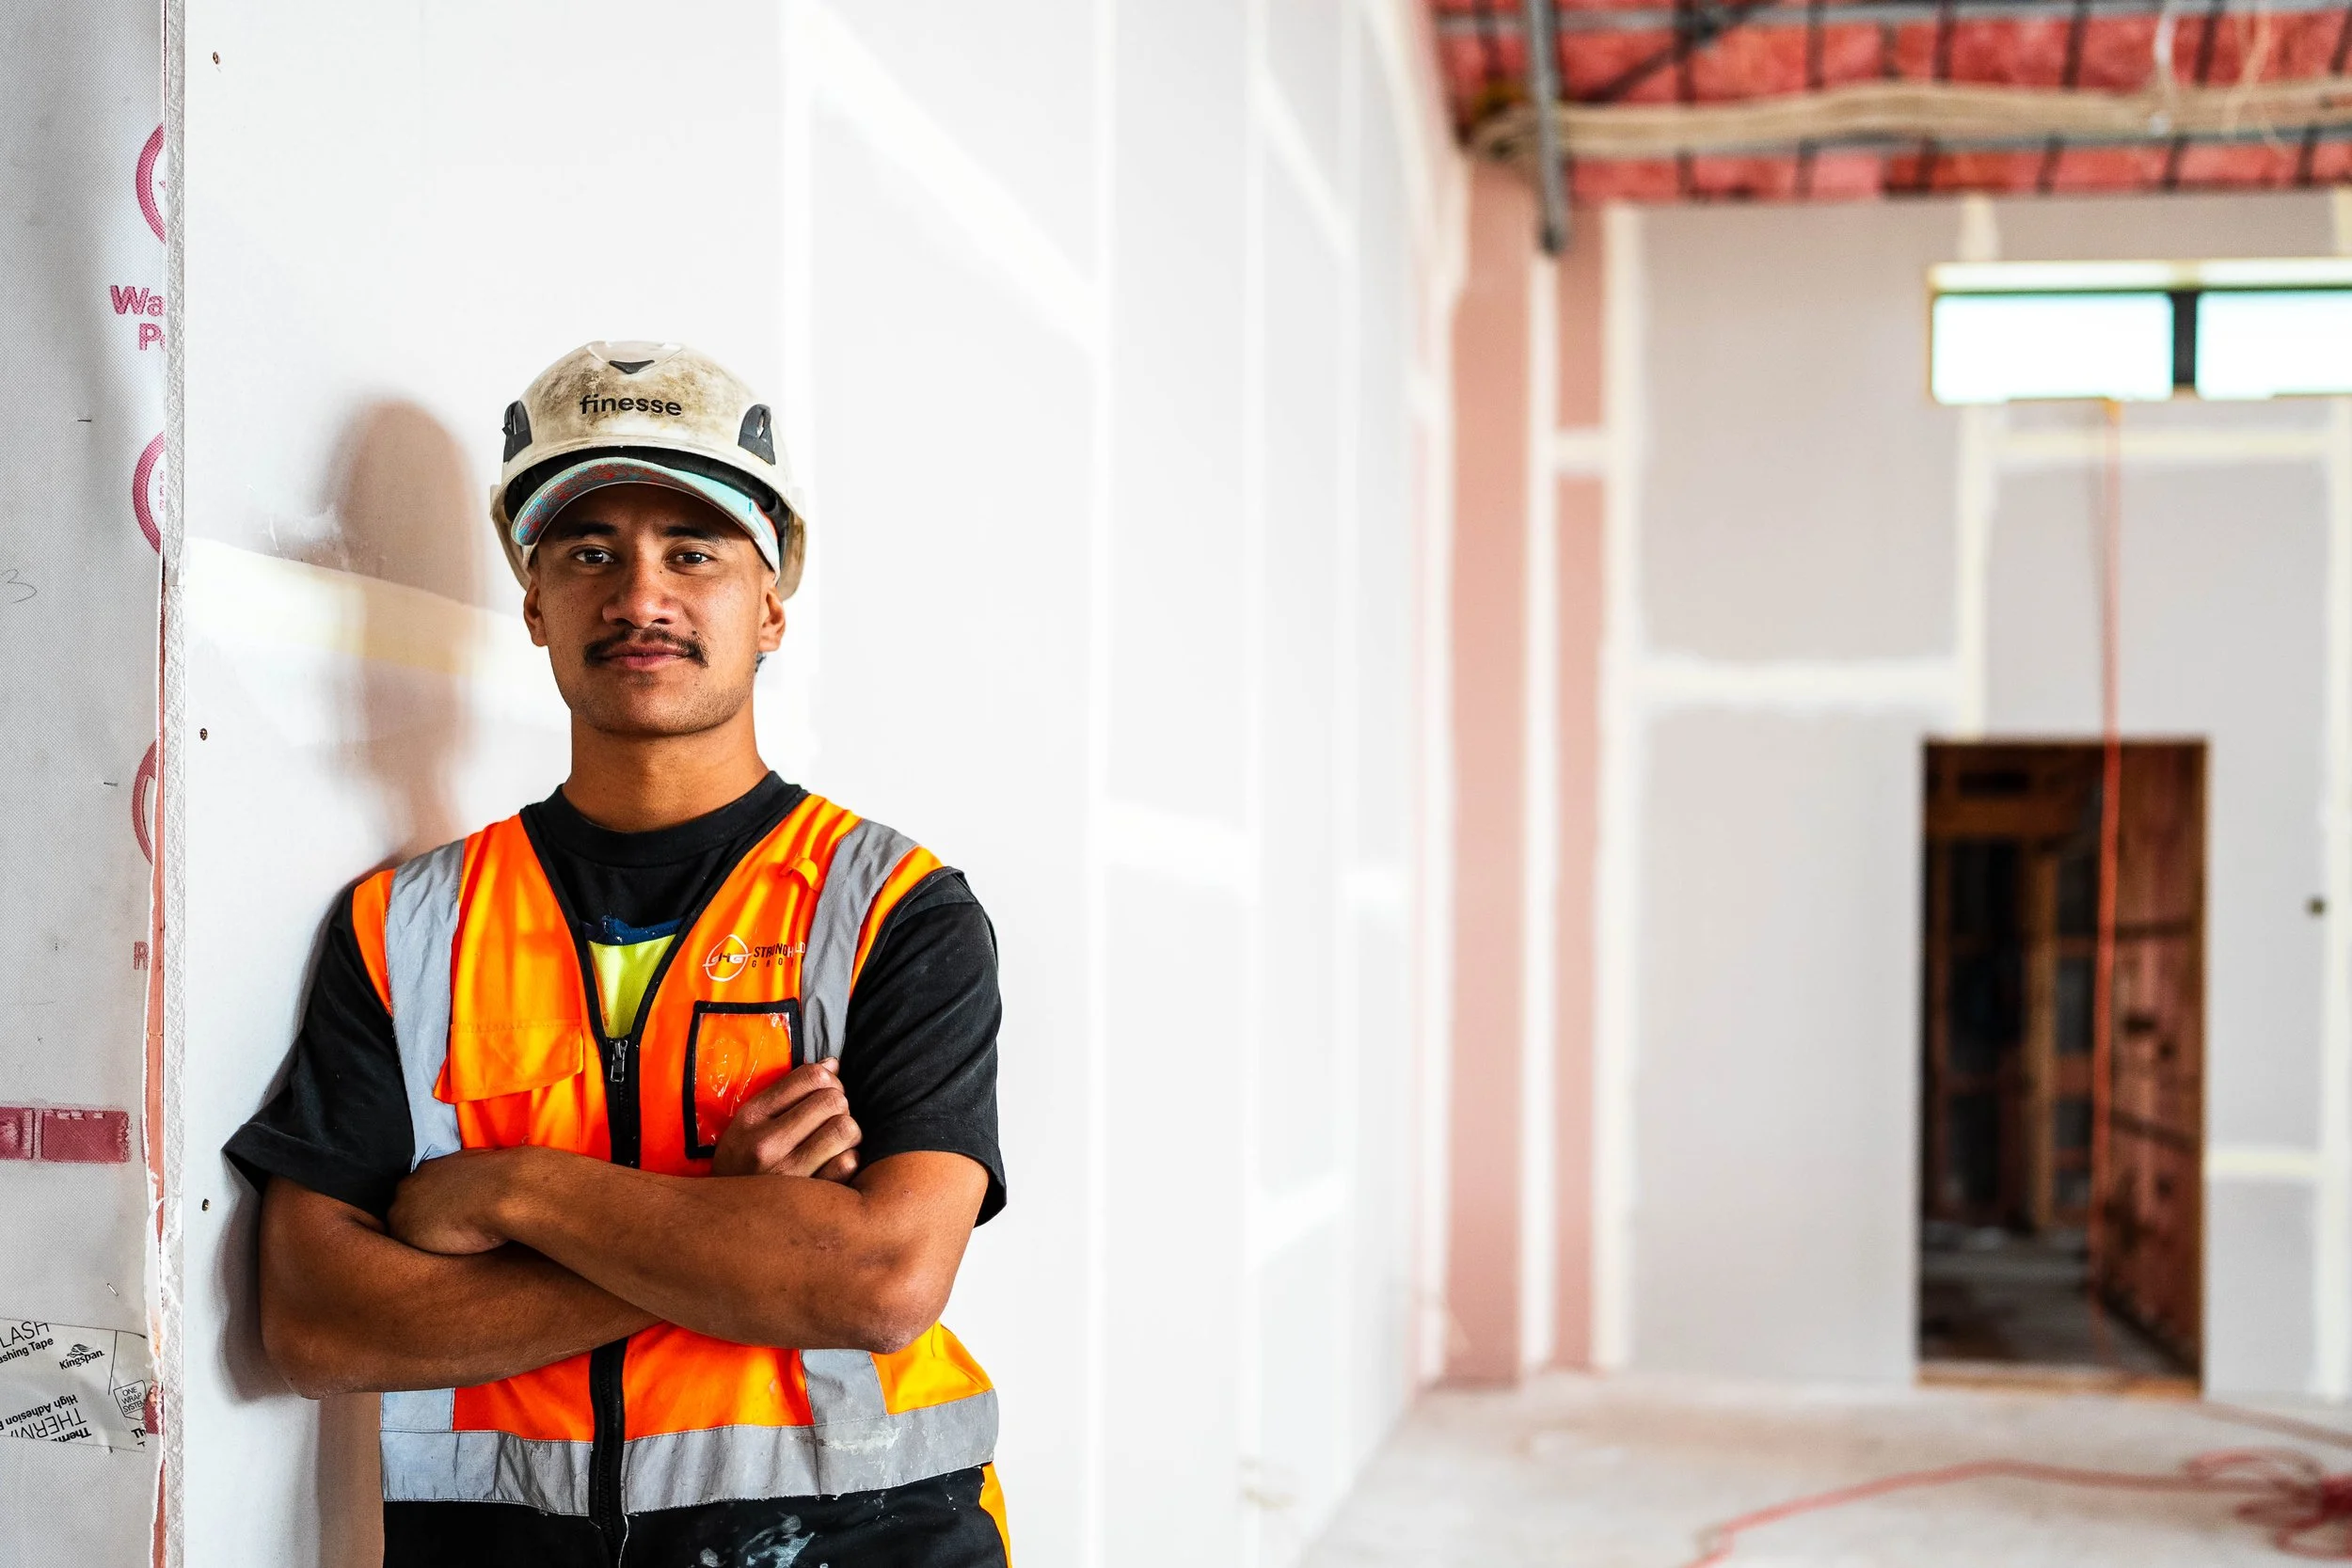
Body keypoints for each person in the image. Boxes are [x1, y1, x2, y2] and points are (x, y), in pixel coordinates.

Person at [226, 341, 1010, 1568]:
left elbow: (882, 1279)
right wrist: (735, 1222)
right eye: (590, 551)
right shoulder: (408, 927)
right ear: (534, 601)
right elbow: (318, 1321)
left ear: (771, 605)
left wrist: (509, 1188)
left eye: (692, 550)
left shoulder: (893, 910)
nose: (640, 593)